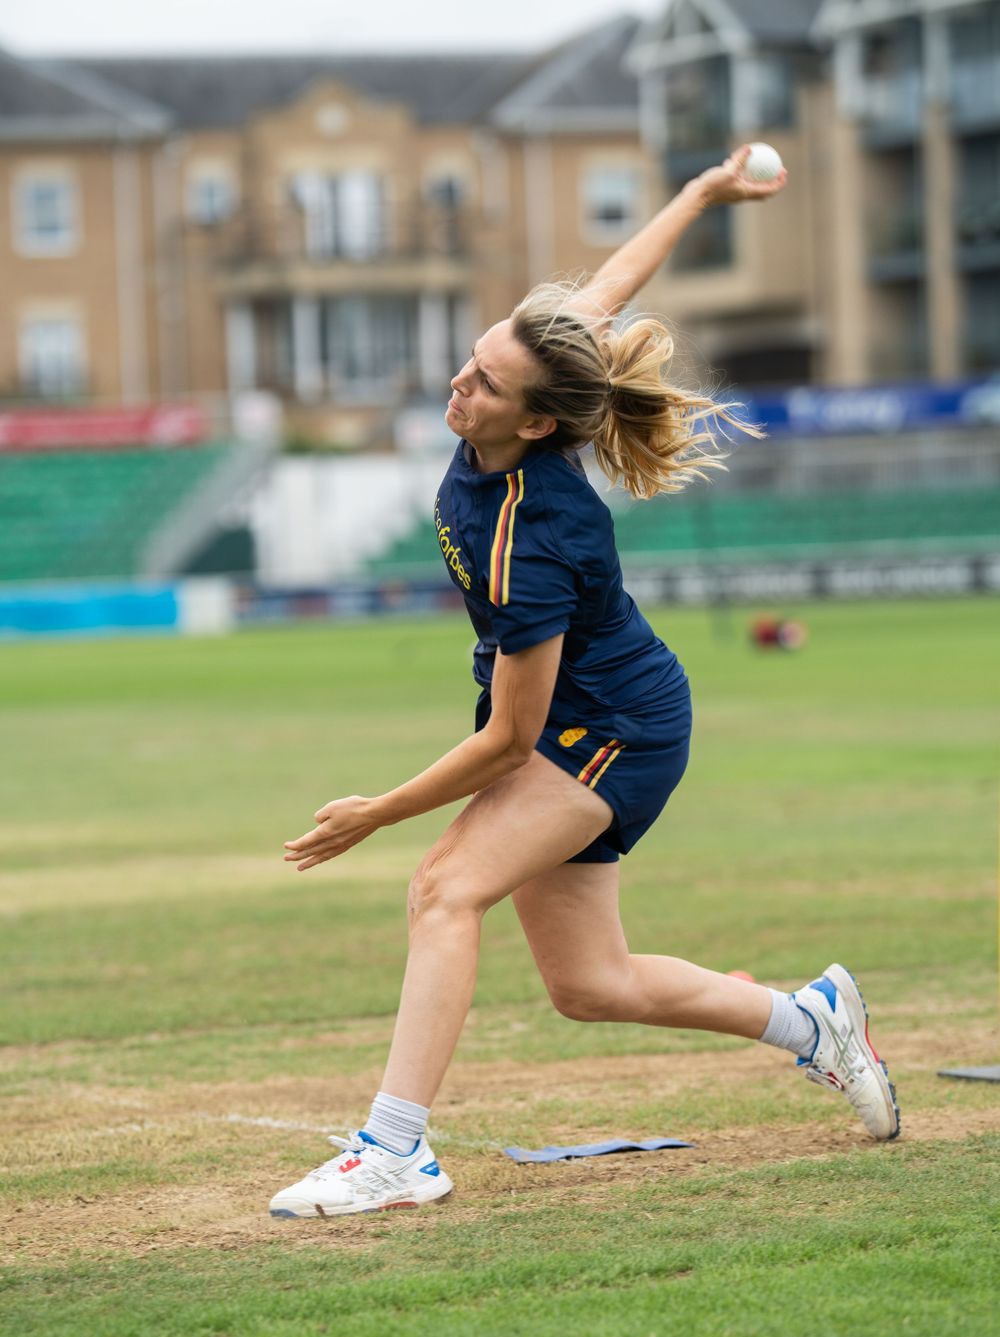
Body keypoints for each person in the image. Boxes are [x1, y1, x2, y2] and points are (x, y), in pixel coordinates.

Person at [269, 147, 900, 1220]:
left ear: (539, 424)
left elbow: (510, 744)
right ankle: (811, 1020)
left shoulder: (538, 532)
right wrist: (701, 194)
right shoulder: (526, 394)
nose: (459, 386)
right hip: (589, 721)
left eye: (484, 385)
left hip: (607, 728)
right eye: (471, 363)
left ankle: (395, 1151)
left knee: (443, 887)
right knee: (587, 986)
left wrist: (377, 813)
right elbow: (605, 294)